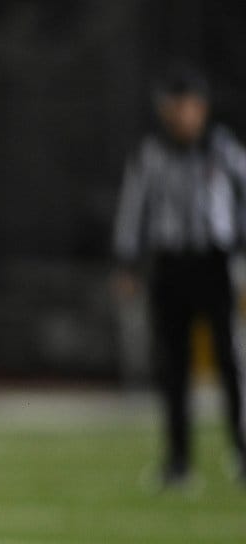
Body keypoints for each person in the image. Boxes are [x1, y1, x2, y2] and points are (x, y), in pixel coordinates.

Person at [112, 62, 246, 489]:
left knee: (230, 361)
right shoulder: (151, 153)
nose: (183, 115)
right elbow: (134, 209)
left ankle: (241, 451)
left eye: (189, 106)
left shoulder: (223, 149)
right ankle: (178, 462)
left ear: (201, 108)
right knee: (174, 367)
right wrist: (128, 262)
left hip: (214, 261)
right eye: (176, 107)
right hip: (170, 266)